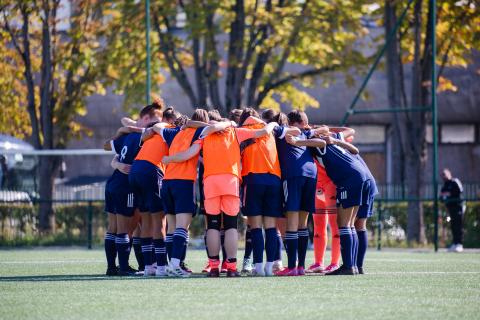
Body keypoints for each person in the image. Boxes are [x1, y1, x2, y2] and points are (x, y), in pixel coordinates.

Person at [163, 117, 279, 277]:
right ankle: (231, 268)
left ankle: (214, 267)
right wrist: (272, 123)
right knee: (231, 226)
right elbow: (263, 132)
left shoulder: (205, 135)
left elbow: (189, 154)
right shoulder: (235, 131)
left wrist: (169, 159)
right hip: (230, 181)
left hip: (210, 182)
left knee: (213, 226)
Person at [286, 130, 373, 276]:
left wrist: (297, 142)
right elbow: (355, 149)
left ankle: (348, 266)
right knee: (350, 224)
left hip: (349, 179)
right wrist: (336, 140)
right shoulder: (334, 143)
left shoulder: (322, 144)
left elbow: (320, 142)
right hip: (360, 176)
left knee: (343, 224)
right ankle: (353, 266)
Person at [102, 102, 162, 276]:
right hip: (126, 185)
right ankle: (123, 267)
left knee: (113, 228)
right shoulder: (144, 137)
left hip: (113, 182)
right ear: (146, 119)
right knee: (125, 228)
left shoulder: (128, 135)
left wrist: (122, 131)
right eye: (155, 122)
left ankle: (112, 267)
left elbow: (107, 145)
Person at [238, 108, 300, 276]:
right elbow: (296, 130)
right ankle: (269, 267)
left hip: (253, 179)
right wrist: (273, 125)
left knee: (256, 227)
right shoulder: (271, 130)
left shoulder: (240, 131)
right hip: (273, 180)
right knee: (271, 228)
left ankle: (258, 267)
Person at [274, 110, 327, 276]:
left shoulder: (285, 132)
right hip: (311, 174)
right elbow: (323, 130)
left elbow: (322, 131)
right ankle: (301, 267)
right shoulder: (305, 133)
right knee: (303, 224)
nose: (307, 125)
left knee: (292, 222)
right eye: (305, 122)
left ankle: (291, 267)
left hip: (293, 174)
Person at [128, 100, 176, 277]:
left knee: (146, 220)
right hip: (150, 171)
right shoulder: (170, 131)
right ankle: (162, 267)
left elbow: (131, 126)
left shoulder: (153, 130)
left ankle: (149, 266)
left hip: (135, 171)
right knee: (159, 220)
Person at [159, 109, 209, 277]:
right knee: (182, 227)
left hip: (167, 182)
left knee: (172, 228)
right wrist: (170, 159)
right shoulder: (198, 133)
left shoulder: (175, 133)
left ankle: (171, 265)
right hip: (183, 182)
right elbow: (188, 154)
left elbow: (156, 129)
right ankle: (175, 265)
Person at [440, 168, 465, 252]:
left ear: (449, 174)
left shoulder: (455, 182)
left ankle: (459, 244)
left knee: (458, 225)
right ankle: (455, 243)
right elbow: (441, 198)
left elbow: (460, 191)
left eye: (445, 174)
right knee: (452, 225)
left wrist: (449, 196)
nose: (444, 176)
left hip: (458, 208)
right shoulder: (444, 186)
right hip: (449, 211)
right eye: (442, 175)